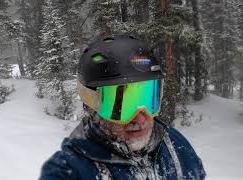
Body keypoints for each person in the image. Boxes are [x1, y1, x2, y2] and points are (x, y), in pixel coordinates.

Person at [39, 35, 206, 180]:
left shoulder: (175, 145)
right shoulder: (69, 170)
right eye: (121, 104)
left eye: (149, 99)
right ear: (91, 105)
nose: (141, 118)